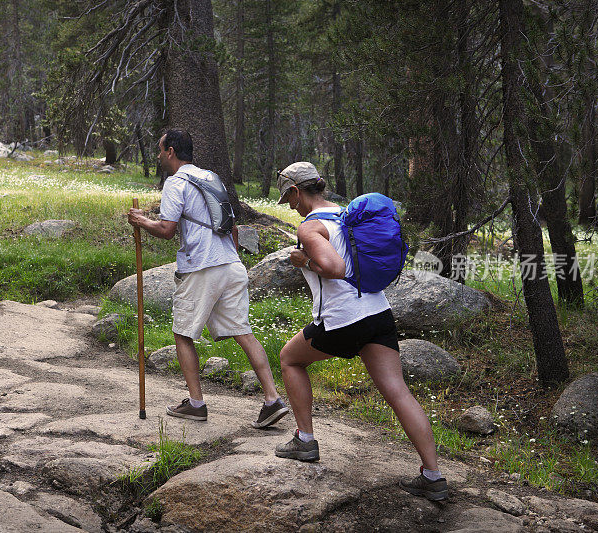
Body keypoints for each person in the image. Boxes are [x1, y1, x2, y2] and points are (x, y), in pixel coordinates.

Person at [273, 161, 448, 502]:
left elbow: (334, 268)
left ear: (297, 191)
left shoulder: (311, 227)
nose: (290, 206)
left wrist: (304, 261)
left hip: (343, 319)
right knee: (398, 391)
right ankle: (433, 476)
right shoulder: (347, 214)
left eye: (289, 199)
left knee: (290, 359)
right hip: (378, 313)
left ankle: (305, 441)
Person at [127, 129, 289, 429]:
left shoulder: (176, 183)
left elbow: (166, 229)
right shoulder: (210, 177)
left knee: (183, 333)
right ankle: (272, 399)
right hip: (231, 264)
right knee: (243, 331)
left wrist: (140, 221)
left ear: (172, 151)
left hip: (202, 267)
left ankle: (196, 404)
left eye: (161, 150)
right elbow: (233, 228)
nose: (160, 155)